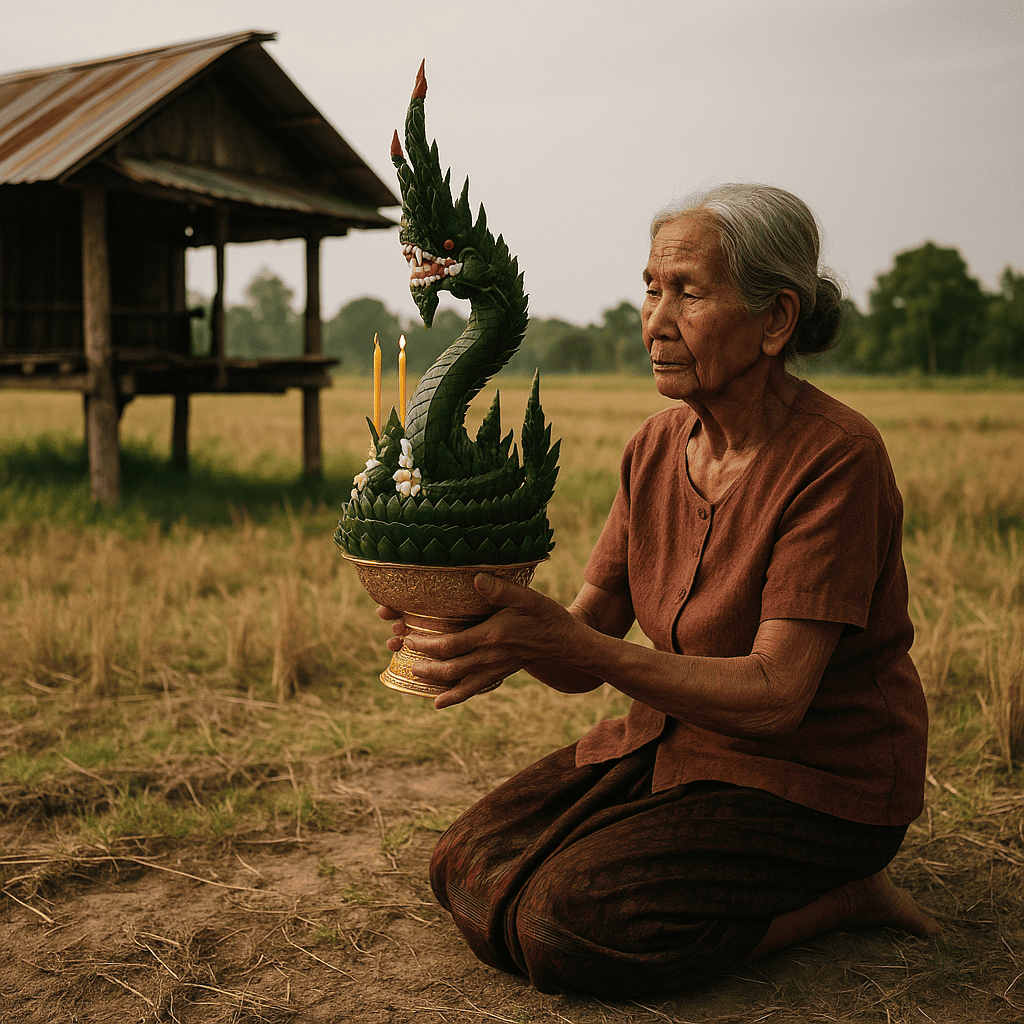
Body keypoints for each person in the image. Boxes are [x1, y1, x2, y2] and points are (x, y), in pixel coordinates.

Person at [378, 183, 941, 998]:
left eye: (688, 291)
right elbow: (578, 648)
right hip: (678, 746)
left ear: (776, 320)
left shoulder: (837, 459)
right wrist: (471, 623)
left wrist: (576, 645)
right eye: (650, 287)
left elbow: (779, 695)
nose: (655, 319)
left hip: (816, 780)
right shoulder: (654, 447)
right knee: (461, 867)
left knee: (561, 927)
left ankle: (841, 896)